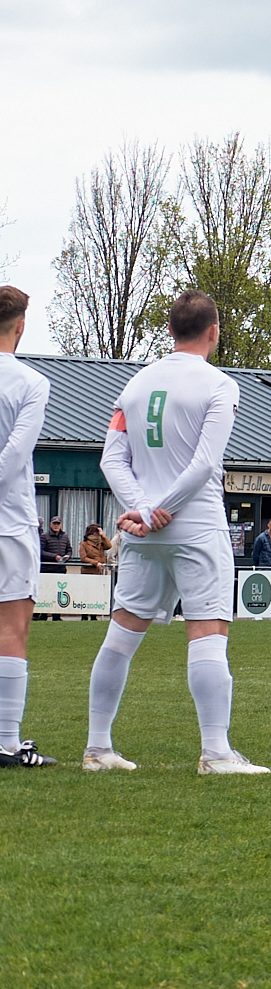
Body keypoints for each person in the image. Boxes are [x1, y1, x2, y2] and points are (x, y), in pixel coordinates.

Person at [87, 289, 266, 774]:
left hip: (142, 533)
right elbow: (204, 464)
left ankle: (98, 748)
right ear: (214, 332)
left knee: (121, 635)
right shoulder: (220, 385)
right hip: (196, 527)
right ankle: (216, 752)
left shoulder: (134, 385)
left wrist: (142, 511)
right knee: (208, 632)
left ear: (170, 330)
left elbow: (111, 460)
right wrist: (158, 510)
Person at [0, 284, 58, 768]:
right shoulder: (31, 382)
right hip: (9, 522)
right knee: (12, 630)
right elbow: (16, 454)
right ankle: (5, 741)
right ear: (20, 326)